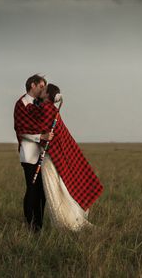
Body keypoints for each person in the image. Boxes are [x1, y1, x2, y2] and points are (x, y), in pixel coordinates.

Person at [25, 84, 104, 231]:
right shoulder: (52, 109)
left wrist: (41, 136)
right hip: (52, 155)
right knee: (59, 188)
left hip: (50, 156)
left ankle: (65, 223)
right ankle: (68, 220)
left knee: (54, 189)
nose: (41, 91)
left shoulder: (47, 109)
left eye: (43, 89)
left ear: (48, 95)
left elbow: (40, 129)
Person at [13, 74, 54, 233]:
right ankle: (30, 226)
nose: (44, 89)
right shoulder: (21, 104)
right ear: (32, 85)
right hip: (29, 155)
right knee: (32, 189)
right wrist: (41, 136)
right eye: (42, 86)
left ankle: (39, 224)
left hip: (44, 155)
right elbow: (21, 130)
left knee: (43, 192)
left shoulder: (41, 104)